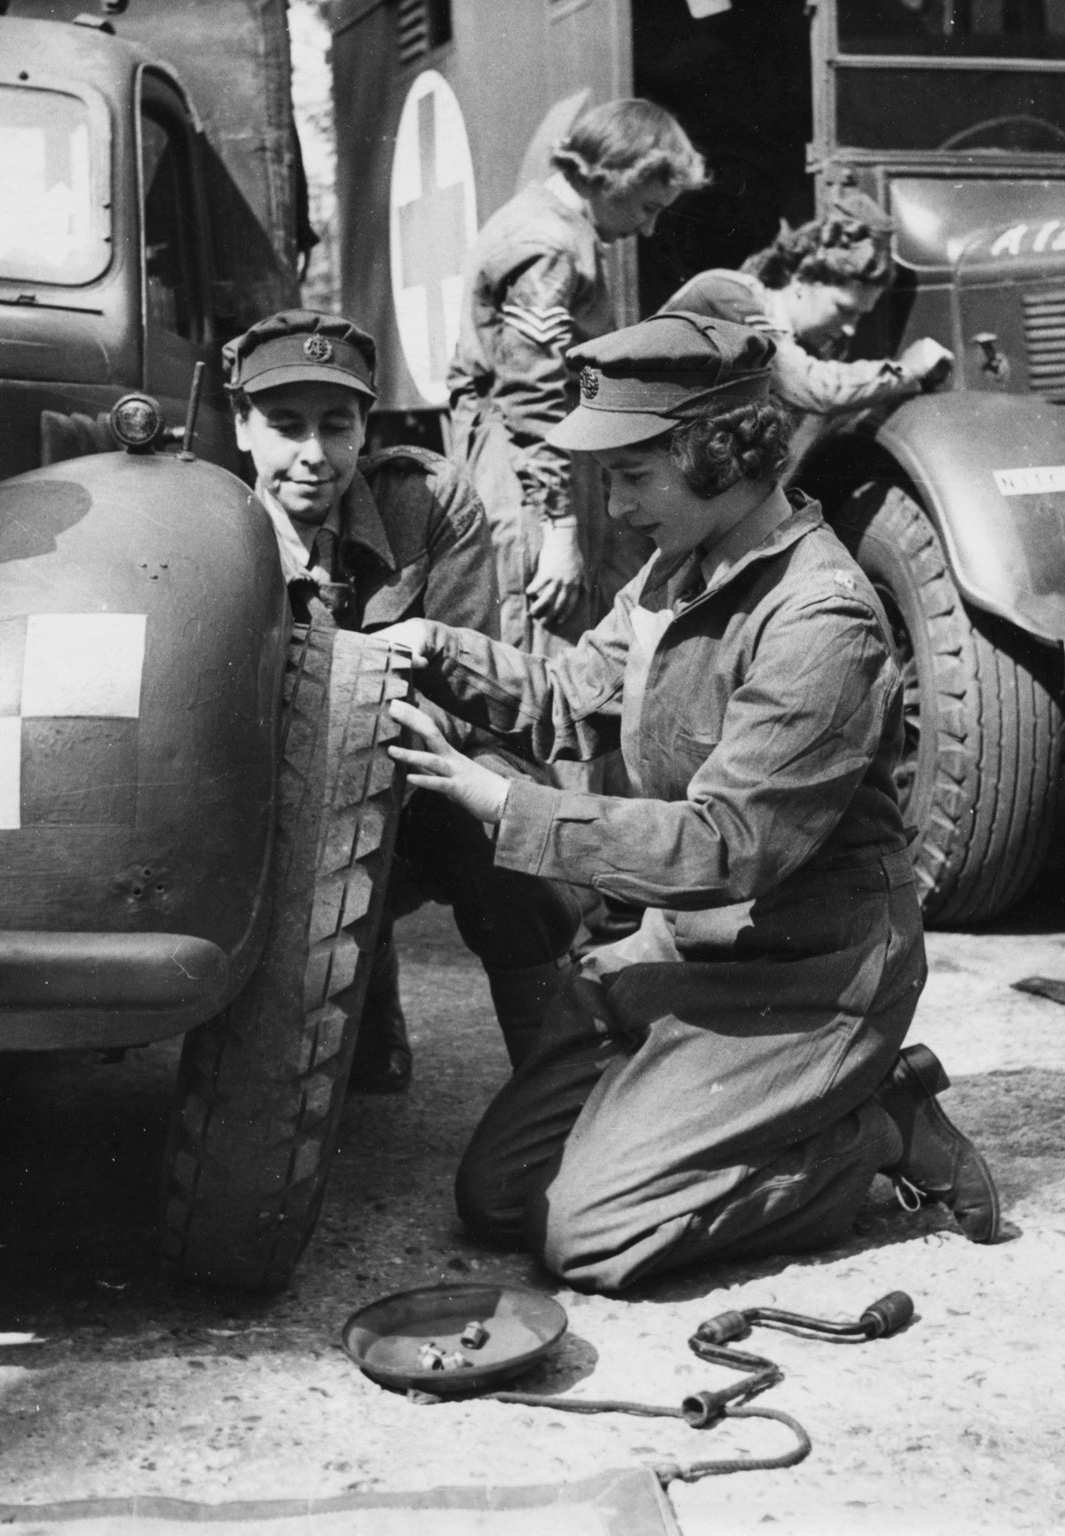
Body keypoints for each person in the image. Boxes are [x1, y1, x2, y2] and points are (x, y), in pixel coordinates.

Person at [378, 311, 1001, 1292]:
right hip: (687, 952)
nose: (616, 507)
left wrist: (506, 806)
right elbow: (569, 699)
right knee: (501, 1200)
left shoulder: (821, 617)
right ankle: (735, 1112)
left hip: (810, 973)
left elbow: (729, 846)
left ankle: (875, 1127)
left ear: (717, 453)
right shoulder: (678, 573)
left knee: (591, 1239)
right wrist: (436, 652)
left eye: (633, 475)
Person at [223, 310, 580, 1093]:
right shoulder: (210, 523)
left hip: (403, 772)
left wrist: (360, 740)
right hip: (266, 798)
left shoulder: (425, 500)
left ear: (364, 428)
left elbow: (468, 689)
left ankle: (561, 1092)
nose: (314, 455)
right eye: (286, 426)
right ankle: (362, 1000)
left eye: (337, 426)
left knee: (497, 810)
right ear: (241, 426)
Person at [448, 97, 707, 657]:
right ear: (611, 177)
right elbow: (532, 399)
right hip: (533, 485)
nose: (650, 225)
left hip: (550, 474)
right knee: (541, 659)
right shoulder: (549, 246)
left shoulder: (555, 228)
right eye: (646, 206)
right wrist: (561, 530)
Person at [663, 187, 953, 474]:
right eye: (844, 310)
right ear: (802, 280)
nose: (851, 329)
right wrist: (907, 369)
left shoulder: (807, 346)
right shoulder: (725, 297)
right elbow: (814, 388)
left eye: (861, 317)